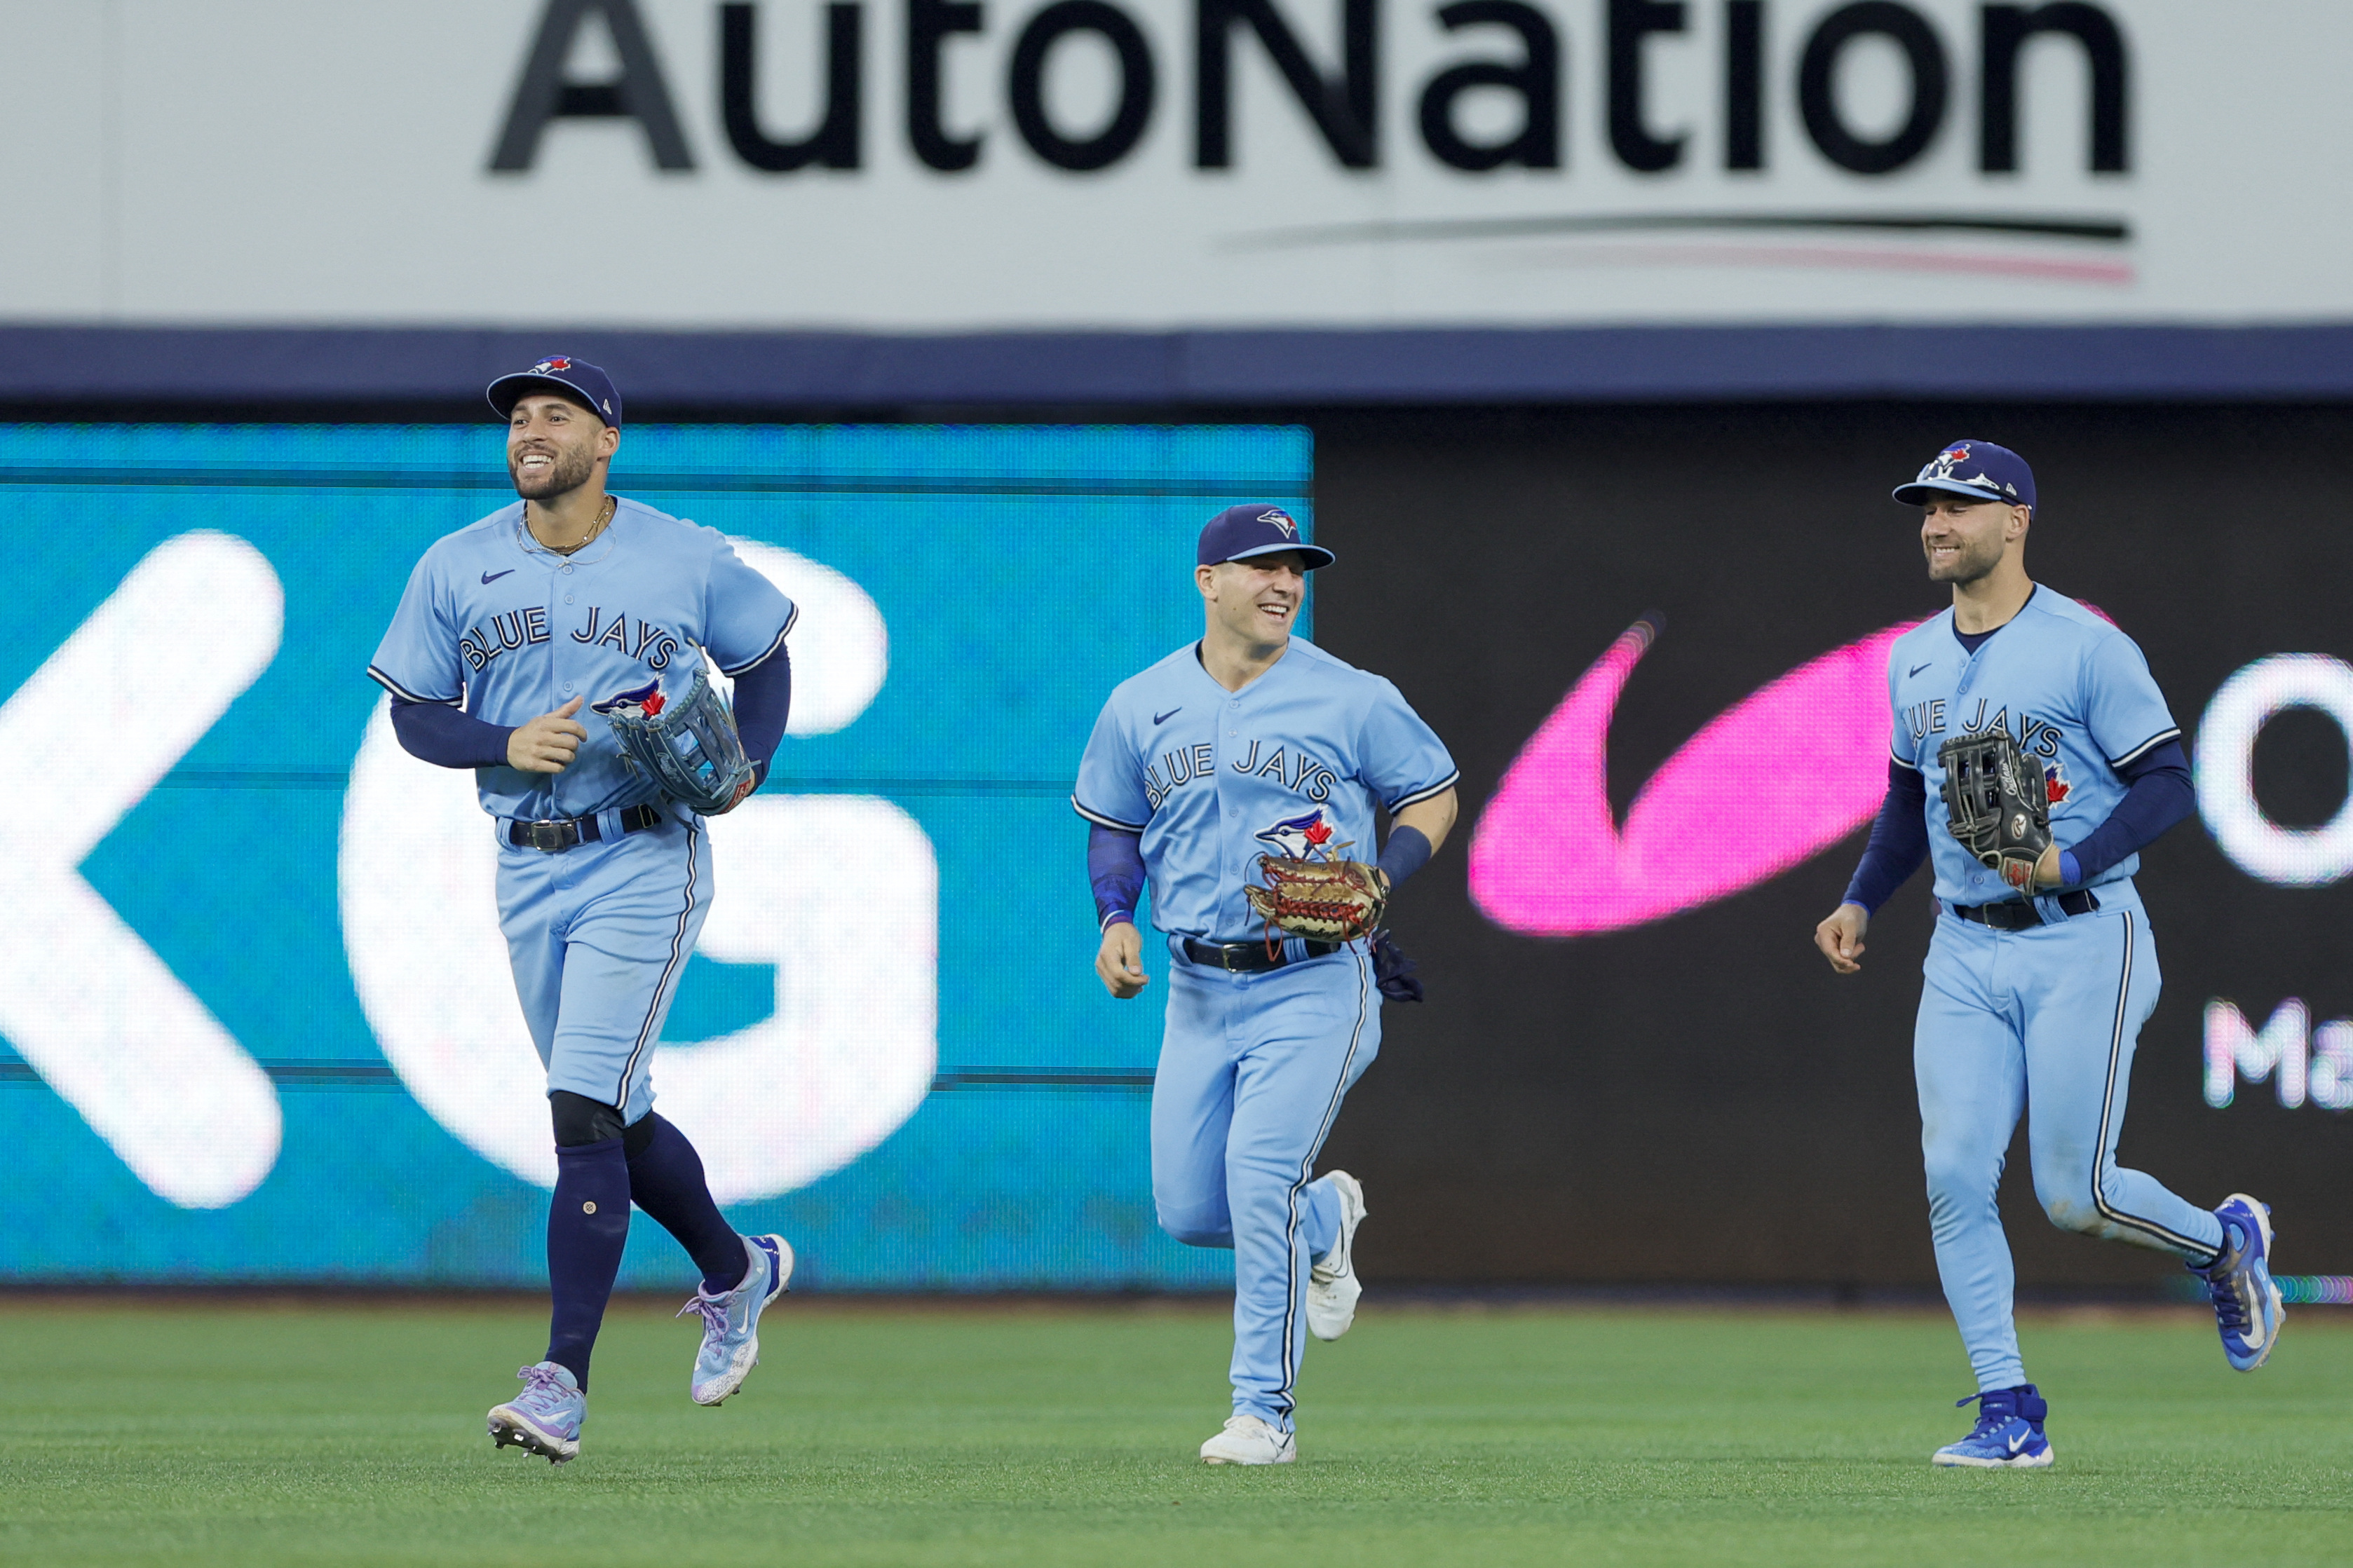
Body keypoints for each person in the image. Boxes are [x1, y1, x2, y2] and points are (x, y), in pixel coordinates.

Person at [1813, 439, 2283, 1470]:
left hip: (2084, 937)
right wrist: (1860, 900)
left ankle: (2227, 1244)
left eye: (1958, 506)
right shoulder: (1915, 657)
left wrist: (2076, 857)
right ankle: (2009, 1410)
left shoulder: (2084, 646)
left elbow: (2166, 782)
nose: (1935, 523)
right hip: (1962, 946)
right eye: (1926, 507)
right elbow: (1907, 799)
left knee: (2076, 1195)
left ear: (2016, 518)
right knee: (1952, 1175)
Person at [367, 356, 799, 1464]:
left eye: (556, 413)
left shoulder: (683, 553)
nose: (530, 429)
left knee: (578, 1114)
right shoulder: (456, 564)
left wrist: (747, 763)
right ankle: (737, 1269)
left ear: (607, 440)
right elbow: (417, 713)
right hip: (524, 860)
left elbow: (763, 657)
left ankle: (562, 1381)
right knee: (614, 1111)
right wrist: (500, 741)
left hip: (645, 854)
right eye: (519, 415)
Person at [1073, 504, 1458, 1465]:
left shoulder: (1353, 696)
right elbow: (1113, 824)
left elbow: (1434, 792)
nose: (1284, 582)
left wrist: (1384, 875)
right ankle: (1327, 1215)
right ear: (1208, 581)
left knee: (1256, 1180)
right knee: (1191, 1211)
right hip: (1197, 986)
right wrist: (1115, 918)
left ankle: (1263, 1416)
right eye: (1260, 566)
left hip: (1317, 980)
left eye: (1295, 567)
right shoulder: (1140, 702)